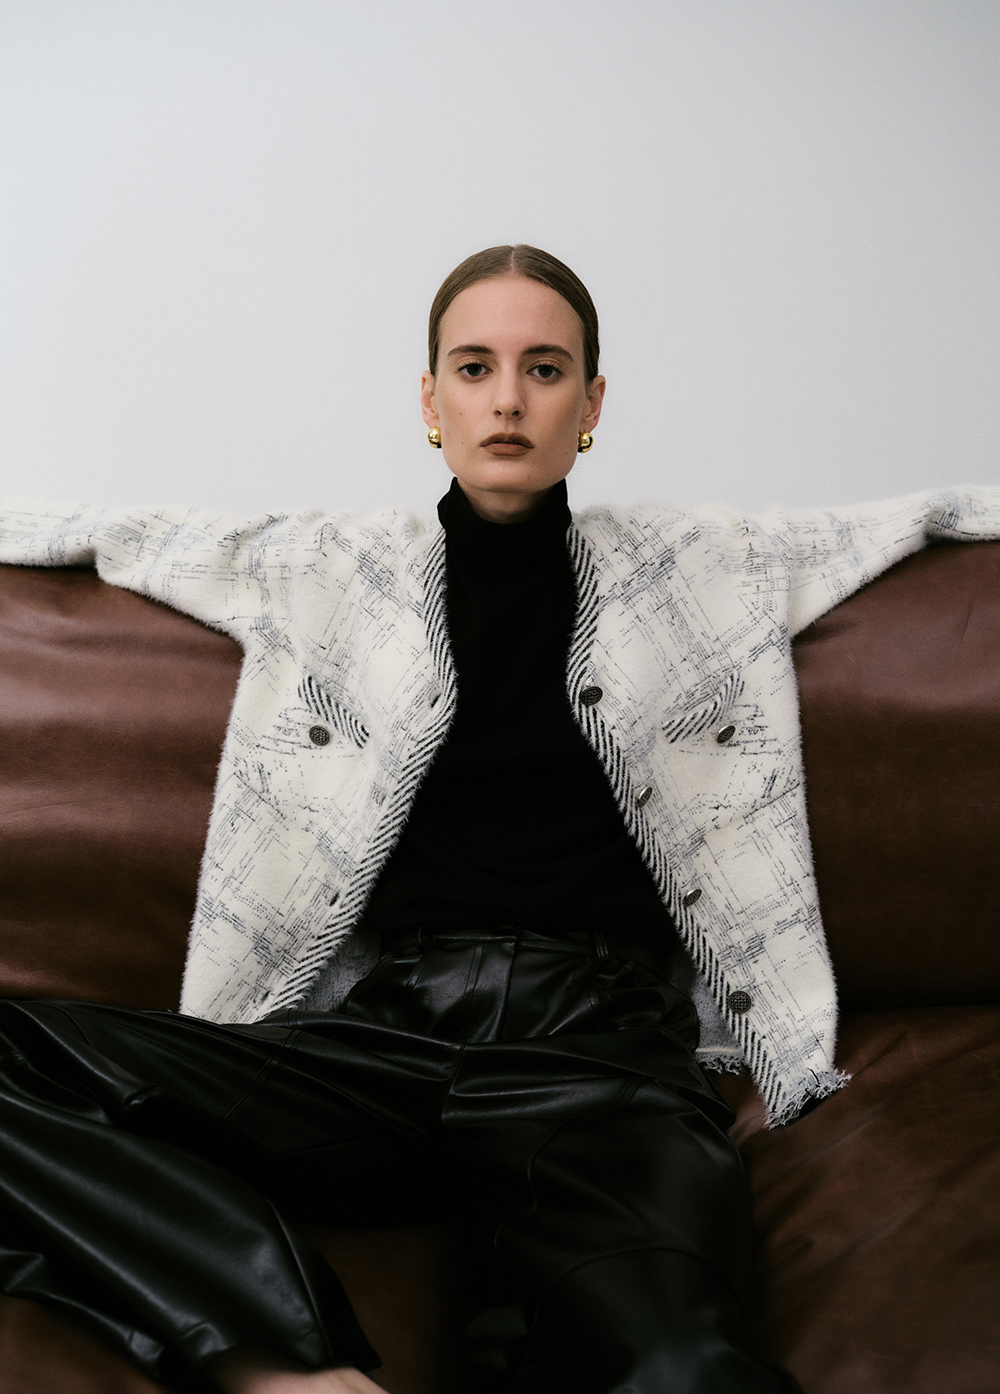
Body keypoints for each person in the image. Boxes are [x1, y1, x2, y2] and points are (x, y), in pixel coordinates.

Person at [0, 245, 997, 1394]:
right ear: (431, 400)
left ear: (591, 405)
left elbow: (920, 516)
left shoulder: (705, 564)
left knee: (683, 1369)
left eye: (544, 368)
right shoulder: (325, 568)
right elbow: (114, 533)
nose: (508, 399)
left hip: (597, 1064)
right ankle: (280, 1370)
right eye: (474, 368)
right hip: (375, 1051)